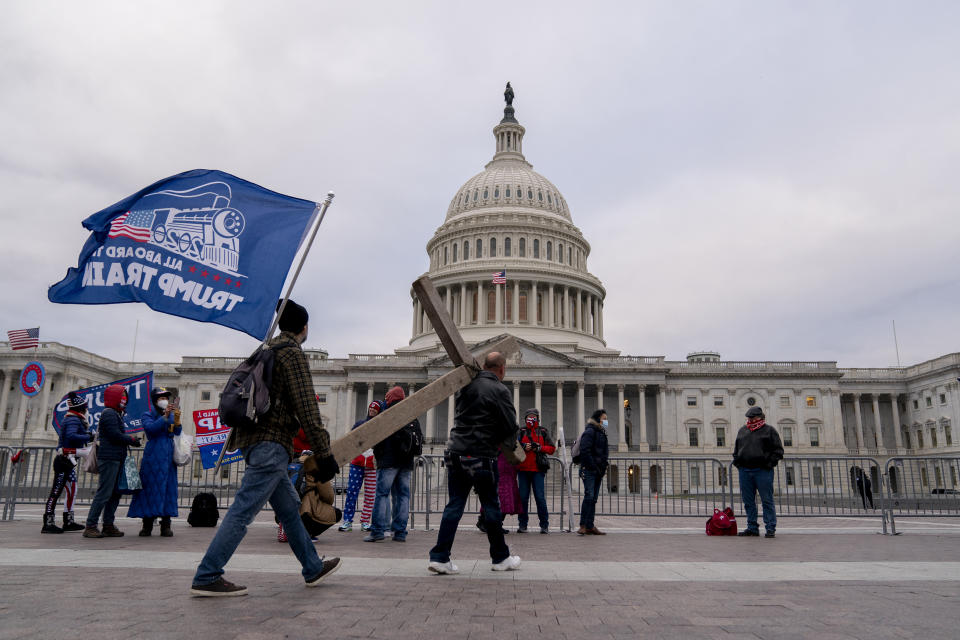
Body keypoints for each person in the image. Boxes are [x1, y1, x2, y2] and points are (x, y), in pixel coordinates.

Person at [190, 299, 342, 597]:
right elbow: (308, 410)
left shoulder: (265, 351)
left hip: (252, 440)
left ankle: (312, 566)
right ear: (304, 327)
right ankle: (207, 574)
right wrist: (325, 454)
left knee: (288, 510)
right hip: (271, 443)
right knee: (243, 511)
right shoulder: (292, 355)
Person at [428, 352, 522, 574]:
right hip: (482, 454)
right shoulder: (499, 389)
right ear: (501, 368)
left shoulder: (466, 386)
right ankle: (500, 558)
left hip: (456, 451)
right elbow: (510, 425)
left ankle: (440, 557)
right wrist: (507, 445)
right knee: (491, 506)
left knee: (454, 505)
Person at [365, 387, 421, 543]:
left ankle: (377, 531)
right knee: (403, 496)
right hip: (406, 462)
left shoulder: (387, 414)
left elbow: (372, 432)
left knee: (382, 494)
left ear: (389, 398)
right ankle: (400, 532)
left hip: (388, 461)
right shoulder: (411, 415)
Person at [83, 385, 141, 538]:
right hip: (109, 458)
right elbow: (114, 435)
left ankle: (108, 524)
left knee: (115, 493)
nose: (124, 399)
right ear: (114, 397)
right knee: (104, 492)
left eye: (125, 396)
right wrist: (132, 440)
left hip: (116, 457)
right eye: (121, 396)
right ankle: (90, 525)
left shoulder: (116, 414)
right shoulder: (109, 413)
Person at [128, 387, 182, 537]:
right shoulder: (147, 414)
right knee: (150, 488)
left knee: (168, 490)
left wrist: (176, 418)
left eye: (165, 397)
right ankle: (147, 525)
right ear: (154, 400)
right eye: (160, 398)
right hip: (153, 455)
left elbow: (176, 432)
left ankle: (166, 524)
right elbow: (150, 429)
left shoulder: (170, 414)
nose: (164, 400)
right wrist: (164, 417)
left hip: (168, 456)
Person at [42, 391, 95, 534]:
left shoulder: (74, 419)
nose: (87, 410)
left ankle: (69, 520)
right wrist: (88, 436)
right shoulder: (73, 419)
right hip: (63, 461)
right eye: (85, 407)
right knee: (56, 491)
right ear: (81, 409)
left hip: (68, 461)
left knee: (72, 488)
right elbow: (71, 436)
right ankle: (48, 522)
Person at [732, 406, 784, 538]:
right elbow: (737, 450)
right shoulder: (743, 431)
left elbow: (778, 450)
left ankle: (770, 527)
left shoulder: (769, 430)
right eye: (749, 417)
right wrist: (738, 463)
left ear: (761, 417)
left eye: (753, 417)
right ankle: (752, 527)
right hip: (745, 470)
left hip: (762, 471)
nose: (751, 419)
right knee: (748, 501)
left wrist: (768, 464)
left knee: (767, 500)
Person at [340, 401, 381, 532]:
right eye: (371, 409)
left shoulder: (381, 427)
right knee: (352, 492)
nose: (372, 411)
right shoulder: (359, 424)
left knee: (370, 495)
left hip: (371, 465)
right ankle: (347, 521)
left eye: (375, 409)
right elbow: (351, 439)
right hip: (357, 463)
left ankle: (365, 521)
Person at [516, 408, 555, 534]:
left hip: (538, 469)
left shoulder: (543, 431)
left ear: (538, 418)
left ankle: (544, 524)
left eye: (533, 417)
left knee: (540, 497)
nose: (531, 419)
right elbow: (513, 447)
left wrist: (539, 448)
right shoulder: (521, 431)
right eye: (529, 417)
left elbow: (552, 448)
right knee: (523, 498)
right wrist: (523, 446)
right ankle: (522, 524)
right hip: (523, 469)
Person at [577, 409, 609, 536]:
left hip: (598, 470)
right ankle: (583, 525)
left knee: (594, 498)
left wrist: (603, 466)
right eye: (604, 419)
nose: (606, 421)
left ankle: (590, 525)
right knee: (589, 496)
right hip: (590, 469)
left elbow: (605, 452)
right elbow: (585, 450)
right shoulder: (590, 431)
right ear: (597, 419)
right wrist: (593, 466)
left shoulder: (602, 433)